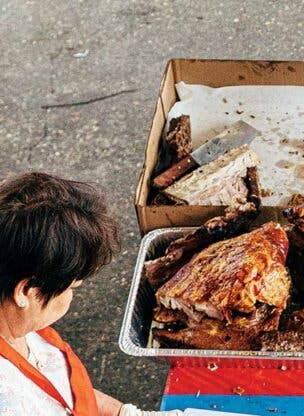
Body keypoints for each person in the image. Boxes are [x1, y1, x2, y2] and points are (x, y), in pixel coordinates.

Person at [0, 172, 181, 416]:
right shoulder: (10, 400)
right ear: (25, 292)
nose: (71, 297)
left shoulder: (18, 321)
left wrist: (125, 413)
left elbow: (64, 392)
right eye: (72, 288)